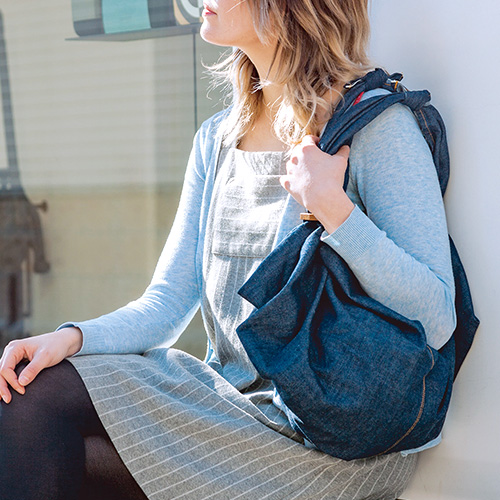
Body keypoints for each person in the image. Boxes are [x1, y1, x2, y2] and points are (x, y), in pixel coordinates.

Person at [0, 1, 457, 499]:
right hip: (225, 404)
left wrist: (333, 208)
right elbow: (166, 304)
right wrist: (71, 338)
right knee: (34, 390)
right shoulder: (217, 139)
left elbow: (436, 317)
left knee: (63, 442)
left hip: (329, 438)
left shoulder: (374, 127)